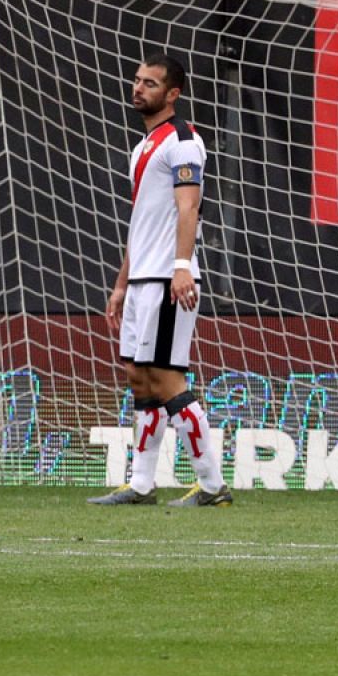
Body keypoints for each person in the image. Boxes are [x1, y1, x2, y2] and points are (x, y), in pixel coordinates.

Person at [88, 53, 231, 508]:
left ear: (173, 94)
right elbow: (143, 221)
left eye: (150, 83)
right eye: (136, 80)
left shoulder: (184, 142)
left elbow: (189, 207)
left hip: (170, 280)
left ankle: (212, 486)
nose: (138, 88)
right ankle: (142, 484)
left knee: (168, 379)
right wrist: (120, 283)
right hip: (142, 280)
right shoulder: (142, 146)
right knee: (139, 378)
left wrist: (182, 266)